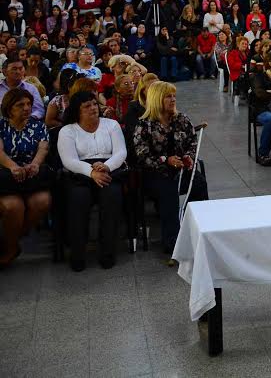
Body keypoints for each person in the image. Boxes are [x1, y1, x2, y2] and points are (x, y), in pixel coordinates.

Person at [131, 82, 206, 254]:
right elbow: (142, 156)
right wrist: (165, 161)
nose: (173, 99)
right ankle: (173, 242)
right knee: (169, 191)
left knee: (199, 184)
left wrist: (189, 157)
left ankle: (198, 231)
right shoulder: (144, 125)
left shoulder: (182, 119)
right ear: (157, 99)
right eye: (168, 96)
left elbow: (192, 143)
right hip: (155, 172)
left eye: (174, 96)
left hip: (180, 169)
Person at [57, 91, 127, 271]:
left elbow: (120, 152)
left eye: (94, 104)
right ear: (77, 111)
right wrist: (91, 172)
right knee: (78, 198)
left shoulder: (111, 125)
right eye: (87, 106)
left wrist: (106, 167)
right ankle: (78, 254)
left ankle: (108, 253)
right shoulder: (68, 131)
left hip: (108, 169)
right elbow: (69, 160)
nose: (93, 108)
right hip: (80, 173)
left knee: (111, 195)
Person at [0, 89, 52, 267]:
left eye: (29, 104)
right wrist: (13, 166)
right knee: (13, 207)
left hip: (32, 176)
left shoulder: (38, 125)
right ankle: (11, 248)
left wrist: (35, 164)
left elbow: (43, 148)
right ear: (9, 108)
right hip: (7, 177)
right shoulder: (1, 125)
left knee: (43, 201)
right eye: (20, 105)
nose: (26, 108)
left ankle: (9, 241)